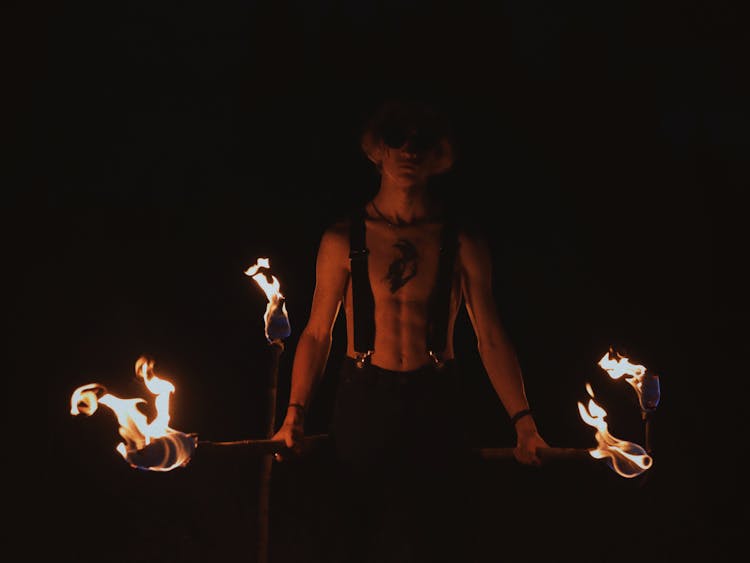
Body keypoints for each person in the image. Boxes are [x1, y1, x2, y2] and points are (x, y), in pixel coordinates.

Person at [271, 98, 549, 562]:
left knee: (434, 541)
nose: (408, 150)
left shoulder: (461, 239)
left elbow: (491, 337)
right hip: (364, 397)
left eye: (420, 141)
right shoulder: (343, 238)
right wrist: (295, 414)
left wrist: (526, 425)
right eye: (396, 138)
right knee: (352, 539)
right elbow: (318, 333)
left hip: (435, 400)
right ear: (377, 149)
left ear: (438, 154)